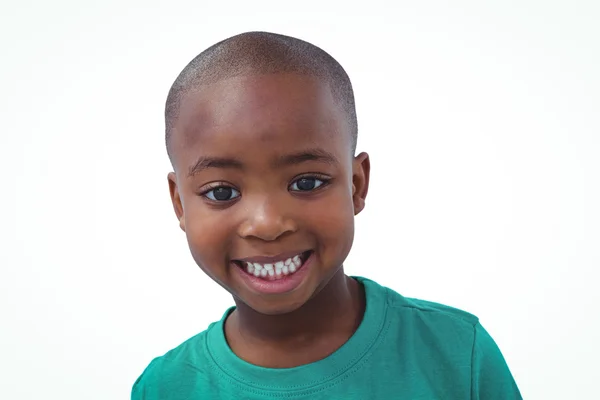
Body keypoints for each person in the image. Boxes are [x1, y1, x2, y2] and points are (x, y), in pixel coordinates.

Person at [131, 31, 522, 399]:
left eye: (306, 183)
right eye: (222, 192)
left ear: (356, 185)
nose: (267, 224)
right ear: (180, 204)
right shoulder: (164, 387)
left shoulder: (456, 353)